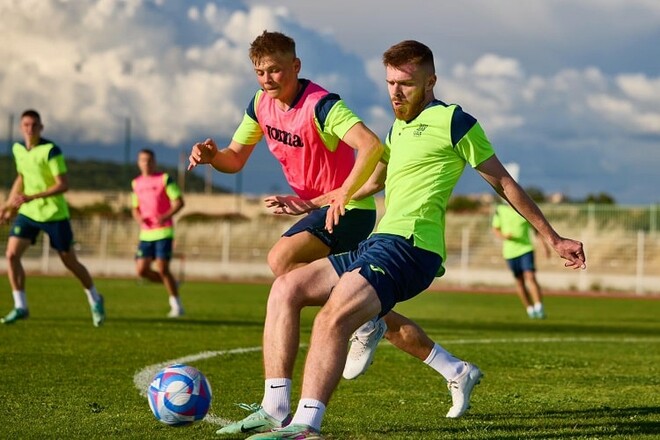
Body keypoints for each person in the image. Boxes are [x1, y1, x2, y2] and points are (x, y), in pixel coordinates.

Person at [240, 40, 586, 439]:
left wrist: (554, 238)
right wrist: (310, 203)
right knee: (286, 286)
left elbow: (503, 183)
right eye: (390, 83)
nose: (396, 92)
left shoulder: (454, 121)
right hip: (380, 242)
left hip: (412, 247)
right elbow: (371, 183)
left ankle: (306, 426)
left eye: (405, 83)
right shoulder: (396, 129)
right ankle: (275, 408)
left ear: (430, 81)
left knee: (332, 318)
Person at [187, 30, 383, 436]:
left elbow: (371, 146)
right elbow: (235, 160)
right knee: (292, 283)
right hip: (315, 209)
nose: (267, 79)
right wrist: (211, 158)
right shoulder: (260, 104)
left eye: (275, 69)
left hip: (350, 211)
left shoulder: (323, 105)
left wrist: (342, 195)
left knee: (281, 262)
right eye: (260, 71)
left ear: (295, 66)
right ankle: (372, 318)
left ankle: (279, 403)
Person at [0, 109, 105, 327]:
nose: (30, 129)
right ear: (21, 127)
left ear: (41, 127)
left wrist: (32, 197)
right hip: (29, 214)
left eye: (34, 125)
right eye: (26, 125)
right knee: (11, 254)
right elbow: (21, 178)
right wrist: (9, 206)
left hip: (54, 214)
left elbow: (63, 184)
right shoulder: (18, 149)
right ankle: (21, 306)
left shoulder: (51, 150)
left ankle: (95, 298)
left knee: (70, 262)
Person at [131, 148, 185, 318]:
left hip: (163, 232)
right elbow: (135, 208)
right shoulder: (136, 183)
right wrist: (139, 218)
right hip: (146, 234)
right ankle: (173, 284)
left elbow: (179, 202)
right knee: (141, 271)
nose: (145, 163)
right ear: (138, 163)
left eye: (148, 160)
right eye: (142, 160)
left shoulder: (164, 179)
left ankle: (176, 305)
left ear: (154, 162)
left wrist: (165, 216)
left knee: (162, 268)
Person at [492, 200, 551, 319]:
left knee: (530, 276)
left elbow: (536, 230)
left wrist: (544, 246)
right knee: (519, 281)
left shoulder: (523, 209)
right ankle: (530, 309)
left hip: (526, 249)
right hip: (510, 252)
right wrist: (504, 236)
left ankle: (539, 307)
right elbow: (495, 229)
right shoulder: (500, 211)